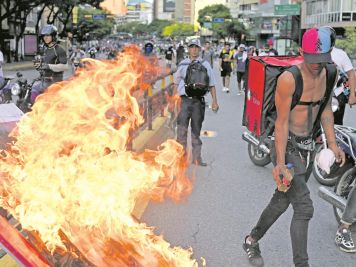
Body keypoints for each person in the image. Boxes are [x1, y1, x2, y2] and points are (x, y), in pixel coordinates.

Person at [242, 26, 345, 267]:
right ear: (301, 52)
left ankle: (251, 239)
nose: (317, 64)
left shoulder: (331, 72)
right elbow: (281, 123)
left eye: (322, 59)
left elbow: (326, 109)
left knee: (281, 201)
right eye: (312, 60)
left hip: (309, 147)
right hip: (287, 145)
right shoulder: (289, 79)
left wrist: (332, 143)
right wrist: (278, 163)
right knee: (304, 207)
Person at [174, 39, 219, 166]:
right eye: (191, 47)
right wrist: (172, 100)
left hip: (198, 103)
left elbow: (212, 84)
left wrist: (215, 101)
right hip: (184, 102)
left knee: (196, 131)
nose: (194, 50)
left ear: (199, 49)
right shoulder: (182, 64)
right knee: (181, 131)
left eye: (196, 47)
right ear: (188, 49)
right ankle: (181, 158)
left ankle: (196, 158)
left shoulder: (205, 65)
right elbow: (176, 83)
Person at [31, 25, 68, 103]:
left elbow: (65, 66)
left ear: (53, 36)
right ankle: (33, 108)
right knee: (29, 89)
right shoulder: (45, 49)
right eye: (44, 36)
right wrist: (38, 65)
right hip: (44, 80)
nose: (45, 38)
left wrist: (48, 66)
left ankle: (35, 109)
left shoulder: (59, 49)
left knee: (35, 88)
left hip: (55, 81)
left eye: (48, 35)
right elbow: (43, 66)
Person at [331, 46, 356, 125]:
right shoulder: (313, 52)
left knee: (336, 124)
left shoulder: (340, 54)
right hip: (317, 94)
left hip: (337, 95)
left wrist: (352, 95)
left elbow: (351, 74)